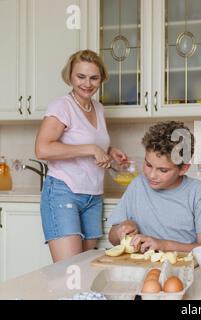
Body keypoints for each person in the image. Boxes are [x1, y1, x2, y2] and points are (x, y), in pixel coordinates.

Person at [35, 50, 128, 262]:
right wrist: (91, 149)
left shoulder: (98, 108)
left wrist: (110, 151)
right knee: (69, 271)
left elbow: (90, 140)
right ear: (70, 76)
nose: (87, 83)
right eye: (81, 76)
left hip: (93, 197)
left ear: (101, 79)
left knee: (85, 268)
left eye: (94, 78)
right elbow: (43, 149)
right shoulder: (62, 106)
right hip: (63, 193)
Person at [108, 121, 201, 253]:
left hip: (183, 267)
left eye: (163, 170)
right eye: (148, 165)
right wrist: (122, 229)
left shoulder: (199, 192)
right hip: (142, 265)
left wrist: (164, 245)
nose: (152, 175)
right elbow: (112, 237)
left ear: (183, 169)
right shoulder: (137, 185)